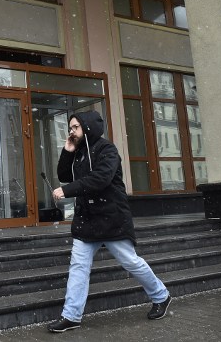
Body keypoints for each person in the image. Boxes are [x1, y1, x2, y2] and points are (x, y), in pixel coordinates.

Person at [47, 111, 171, 333]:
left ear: (87, 127)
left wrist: (67, 191)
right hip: (86, 219)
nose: (71, 131)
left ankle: (161, 295)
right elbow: (65, 175)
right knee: (78, 267)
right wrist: (67, 152)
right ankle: (71, 316)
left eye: (75, 127)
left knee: (130, 262)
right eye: (70, 127)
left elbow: (100, 179)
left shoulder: (107, 149)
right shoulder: (79, 152)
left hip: (111, 216)